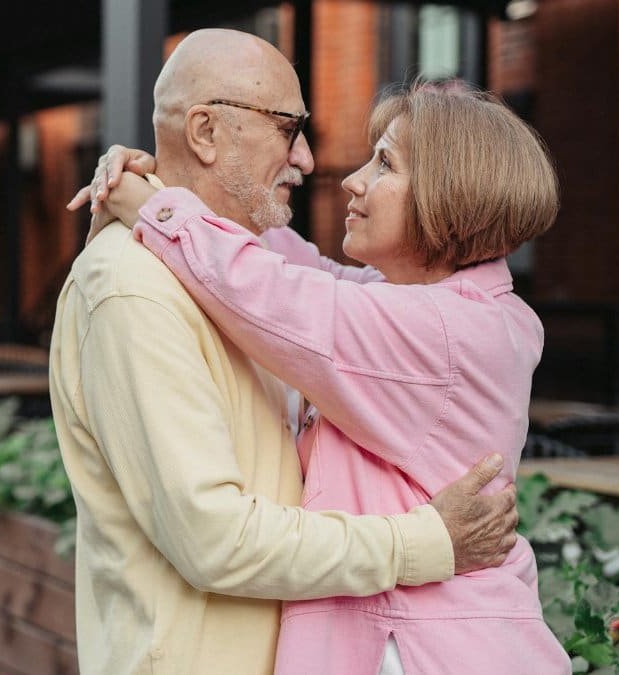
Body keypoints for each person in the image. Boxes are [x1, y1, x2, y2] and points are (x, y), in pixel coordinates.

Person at [49, 28, 519, 675]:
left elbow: (274, 282)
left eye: (382, 164)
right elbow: (214, 537)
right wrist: (425, 540)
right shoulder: (136, 289)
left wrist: (154, 201)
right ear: (207, 132)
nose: (308, 160)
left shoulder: (397, 318)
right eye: (287, 127)